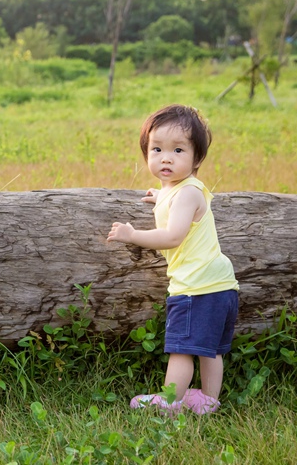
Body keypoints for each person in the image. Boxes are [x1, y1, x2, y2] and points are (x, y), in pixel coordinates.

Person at [106, 104, 238, 415]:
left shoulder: (186, 194)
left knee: (182, 349)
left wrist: (132, 233)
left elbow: (172, 236)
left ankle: (170, 401)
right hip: (221, 286)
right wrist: (160, 197)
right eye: (157, 149)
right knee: (210, 350)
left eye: (178, 150)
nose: (166, 157)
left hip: (196, 287)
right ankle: (207, 400)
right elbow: (175, 201)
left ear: (197, 159)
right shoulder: (181, 190)